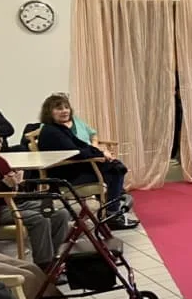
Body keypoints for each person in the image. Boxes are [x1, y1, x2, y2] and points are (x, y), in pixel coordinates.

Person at [0, 123, 71, 268]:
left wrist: (18, 182)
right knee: (39, 219)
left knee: (60, 213)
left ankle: (55, 260)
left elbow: (13, 188)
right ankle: (44, 266)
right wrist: (5, 186)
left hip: (14, 202)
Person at [35, 95, 137, 230]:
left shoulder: (60, 128)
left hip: (72, 170)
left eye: (66, 107)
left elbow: (82, 145)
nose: (65, 111)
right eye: (59, 108)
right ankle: (112, 216)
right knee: (116, 170)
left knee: (115, 167)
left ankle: (112, 211)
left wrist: (101, 152)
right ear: (49, 112)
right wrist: (100, 155)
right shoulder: (52, 131)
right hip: (64, 177)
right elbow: (76, 152)